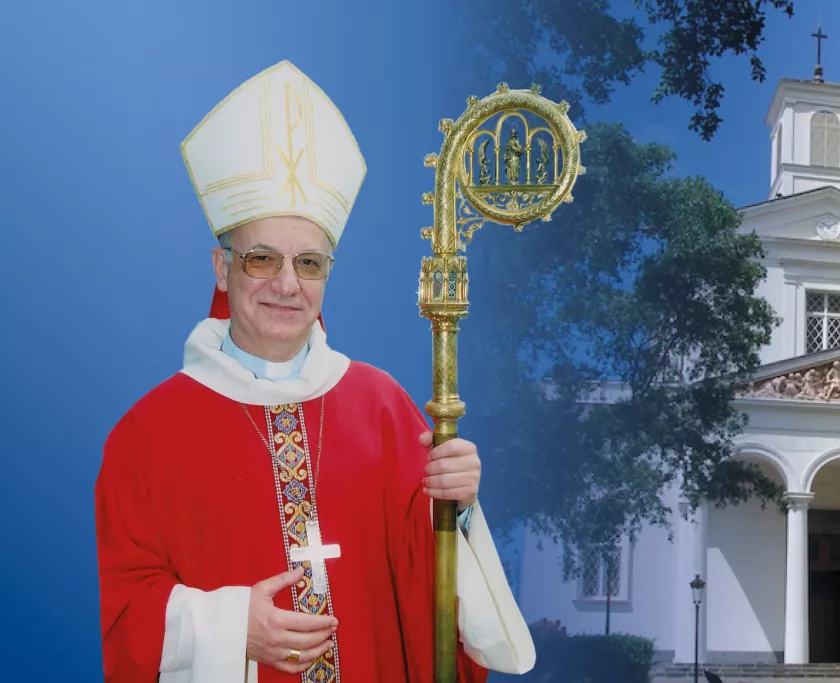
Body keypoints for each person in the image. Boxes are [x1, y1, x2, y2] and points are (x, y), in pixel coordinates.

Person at [93, 60, 534, 683]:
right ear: (222, 269)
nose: (285, 284)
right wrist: (229, 625)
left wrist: (457, 510)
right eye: (262, 258)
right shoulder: (147, 433)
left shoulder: (384, 407)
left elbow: (430, 588)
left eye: (310, 263)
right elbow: (125, 616)